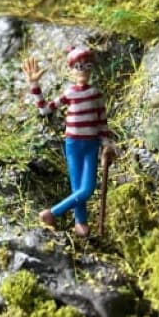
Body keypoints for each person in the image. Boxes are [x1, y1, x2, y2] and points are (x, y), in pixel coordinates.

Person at [22, 45, 116, 237]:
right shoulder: (69, 93)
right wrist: (34, 85)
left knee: (87, 188)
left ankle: (52, 213)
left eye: (87, 66)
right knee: (77, 185)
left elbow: (102, 121)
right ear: (71, 70)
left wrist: (106, 144)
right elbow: (45, 109)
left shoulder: (96, 94)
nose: (83, 71)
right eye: (78, 67)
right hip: (73, 143)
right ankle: (80, 221)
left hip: (91, 144)